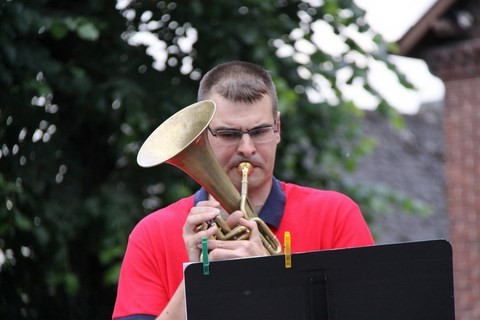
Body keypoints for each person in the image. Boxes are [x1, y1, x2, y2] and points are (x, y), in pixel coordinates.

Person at [112, 61, 374, 320]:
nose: (247, 148)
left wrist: (269, 278)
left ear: (278, 128)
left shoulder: (335, 215)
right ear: (203, 136)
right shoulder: (151, 233)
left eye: (260, 131)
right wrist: (194, 279)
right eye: (228, 134)